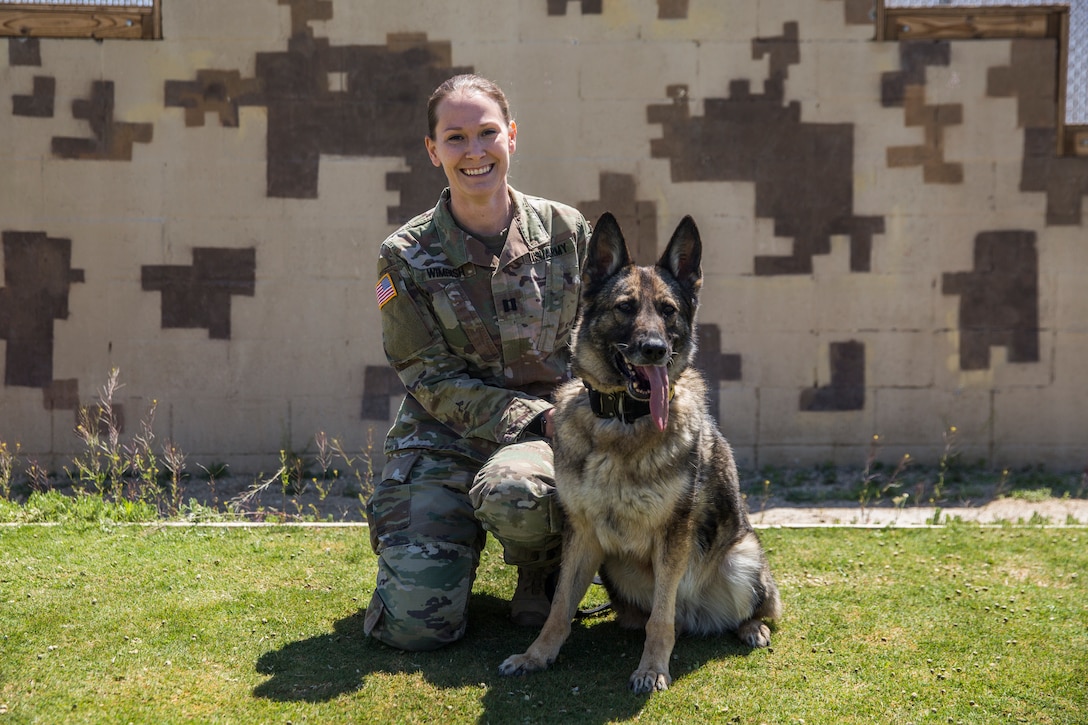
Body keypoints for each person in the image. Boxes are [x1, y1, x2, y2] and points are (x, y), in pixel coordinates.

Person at [365, 74, 591, 651]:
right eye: (456, 137)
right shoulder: (405, 255)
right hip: (443, 436)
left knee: (517, 490)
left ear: (511, 136)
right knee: (418, 628)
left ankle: (538, 567)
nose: (475, 152)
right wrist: (530, 417)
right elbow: (427, 375)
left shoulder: (568, 232)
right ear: (433, 149)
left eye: (487, 133)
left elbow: (600, 339)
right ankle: (429, 562)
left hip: (543, 437)